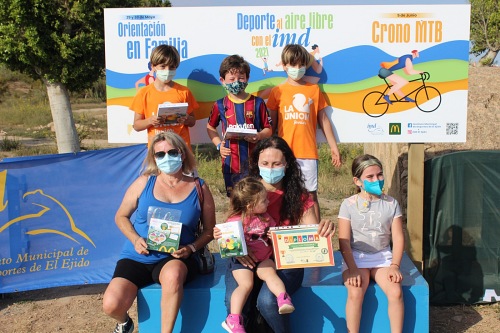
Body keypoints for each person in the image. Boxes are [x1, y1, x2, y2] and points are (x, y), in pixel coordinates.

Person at [102, 132, 216, 333]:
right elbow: (120, 216)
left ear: (182, 153)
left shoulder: (199, 187)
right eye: (160, 154)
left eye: (172, 152)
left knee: (173, 275)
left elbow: (209, 231)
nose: (166, 158)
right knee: (111, 305)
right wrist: (135, 239)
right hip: (137, 255)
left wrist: (191, 248)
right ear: (153, 158)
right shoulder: (144, 182)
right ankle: (124, 322)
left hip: (176, 256)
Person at [222, 136, 336, 333]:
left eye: (276, 163)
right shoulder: (246, 192)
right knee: (235, 299)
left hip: (285, 262)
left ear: (287, 164)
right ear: (256, 163)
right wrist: (236, 249)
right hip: (246, 261)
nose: (271, 168)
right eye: (265, 163)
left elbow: (313, 234)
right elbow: (230, 225)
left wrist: (323, 228)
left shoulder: (299, 197)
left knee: (268, 300)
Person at [267, 44, 342, 220]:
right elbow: (271, 126)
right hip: (283, 155)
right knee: (281, 195)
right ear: (284, 66)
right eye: (293, 65)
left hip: (308, 153)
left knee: (310, 196)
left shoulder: (313, 90)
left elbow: (323, 120)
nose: (297, 69)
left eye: (301, 65)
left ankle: (317, 237)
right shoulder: (277, 91)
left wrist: (333, 147)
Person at [216, 177, 295, 333]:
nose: (267, 202)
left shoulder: (265, 218)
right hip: (243, 262)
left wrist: (274, 236)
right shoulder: (234, 220)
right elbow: (227, 242)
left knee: (270, 274)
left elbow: (275, 231)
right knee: (246, 285)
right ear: (251, 205)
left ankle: (282, 298)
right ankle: (234, 319)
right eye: (264, 200)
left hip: (264, 258)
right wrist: (219, 234)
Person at [338, 154, 405, 333]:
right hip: (356, 258)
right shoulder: (348, 204)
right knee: (355, 292)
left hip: (382, 257)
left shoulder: (392, 203)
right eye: (370, 176)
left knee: (396, 292)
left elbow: (398, 237)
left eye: (380, 175)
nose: (377, 179)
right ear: (357, 181)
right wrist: (351, 268)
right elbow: (343, 241)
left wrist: (395, 265)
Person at [207, 54, 272, 196]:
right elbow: (210, 127)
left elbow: (268, 129)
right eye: (232, 79)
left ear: (247, 79)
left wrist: (259, 135)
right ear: (223, 81)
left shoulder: (258, 103)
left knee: (254, 199)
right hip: (230, 162)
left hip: (254, 161)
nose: (237, 82)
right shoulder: (220, 104)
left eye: (241, 78)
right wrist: (219, 145)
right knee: (234, 200)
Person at [131, 45, 198, 148]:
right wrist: (150, 121)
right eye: (163, 66)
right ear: (153, 66)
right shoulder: (143, 93)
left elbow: (192, 121)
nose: (167, 70)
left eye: (172, 67)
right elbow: (136, 125)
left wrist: (187, 119)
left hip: (181, 148)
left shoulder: (184, 91)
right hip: (157, 150)